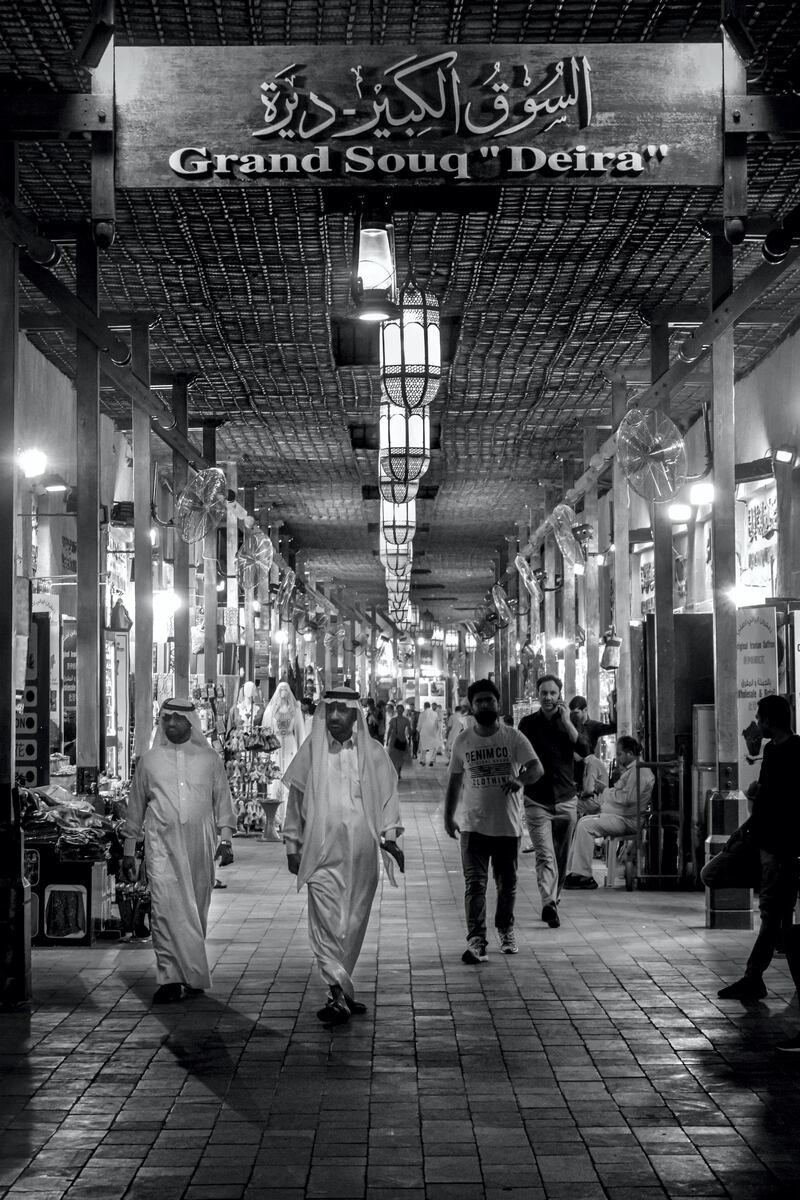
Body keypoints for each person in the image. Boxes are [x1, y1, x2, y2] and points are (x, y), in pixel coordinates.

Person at [282, 687, 403, 1025]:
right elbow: (295, 803)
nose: (334, 716)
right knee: (326, 923)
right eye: (329, 709)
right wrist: (293, 846)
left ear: (355, 715)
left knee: (351, 923)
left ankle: (342, 988)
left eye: (341, 710)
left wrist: (390, 839)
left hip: (362, 856)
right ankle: (337, 993)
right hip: (320, 853)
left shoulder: (374, 754)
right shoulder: (311, 752)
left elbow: (388, 801)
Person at [121, 698, 236, 1004]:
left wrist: (226, 839)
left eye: (176, 719)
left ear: (190, 723)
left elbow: (222, 801)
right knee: (163, 910)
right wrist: (129, 850)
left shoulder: (210, 759)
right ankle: (170, 978)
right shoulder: (149, 761)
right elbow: (135, 808)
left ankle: (193, 973)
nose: (170, 724)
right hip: (161, 847)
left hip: (200, 847)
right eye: (166, 718)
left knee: (195, 910)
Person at [703, 694, 800, 1001]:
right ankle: (780, 916)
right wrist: (743, 831)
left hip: (779, 846)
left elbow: (781, 804)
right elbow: (767, 800)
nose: (757, 724)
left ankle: (753, 976)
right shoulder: (771, 751)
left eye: (760, 718)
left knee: (772, 912)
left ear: (771, 720)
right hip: (762, 841)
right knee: (713, 872)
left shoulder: (795, 752)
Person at [445, 678, 543, 963]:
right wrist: (447, 816)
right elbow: (454, 782)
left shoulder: (513, 737)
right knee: (474, 884)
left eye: (490, 700)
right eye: (479, 701)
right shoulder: (463, 741)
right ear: (471, 706)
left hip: (507, 826)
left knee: (506, 884)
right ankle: (476, 940)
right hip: (473, 827)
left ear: (498, 704)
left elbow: (537, 768)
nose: (485, 705)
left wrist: (519, 779)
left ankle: (506, 928)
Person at [518, 675, 584, 928]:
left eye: (552, 693)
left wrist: (567, 722)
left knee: (562, 854)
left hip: (567, 799)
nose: (548, 698)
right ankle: (548, 902)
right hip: (537, 800)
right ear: (538, 695)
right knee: (545, 855)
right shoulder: (528, 724)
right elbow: (518, 755)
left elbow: (585, 749)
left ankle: (554, 898)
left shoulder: (572, 721)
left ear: (560, 695)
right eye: (543, 693)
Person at [564, 736, 655, 889]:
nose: (617, 758)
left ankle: (583, 875)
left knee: (586, 827)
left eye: (620, 754)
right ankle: (576, 872)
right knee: (583, 822)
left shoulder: (640, 772)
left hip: (627, 820)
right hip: (619, 815)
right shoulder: (632, 771)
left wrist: (604, 791)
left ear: (630, 753)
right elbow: (621, 792)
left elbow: (627, 798)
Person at [262, 681, 306, 827]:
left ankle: (289, 817)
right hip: (275, 748)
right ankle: (273, 818)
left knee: (289, 781)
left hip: (290, 747)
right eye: (281, 689)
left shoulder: (295, 710)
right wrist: (265, 754)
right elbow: (266, 732)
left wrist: (302, 754)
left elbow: (300, 733)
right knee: (274, 781)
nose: (284, 692)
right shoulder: (270, 710)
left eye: (286, 689)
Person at [569, 695, 616, 795]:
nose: (574, 716)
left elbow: (613, 728)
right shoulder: (569, 726)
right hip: (571, 772)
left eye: (576, 713)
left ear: (585, 710)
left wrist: (611, 704)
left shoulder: (593, 726)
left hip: (588, 770)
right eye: (572, 713)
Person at [386, 702, 412, 780]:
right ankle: (398, 773)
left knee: (394, 757)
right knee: (400, 757)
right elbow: (410, 731)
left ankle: (395, 772)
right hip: (402, 739)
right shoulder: (406, 720)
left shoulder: (393, 720)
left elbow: (389, 731)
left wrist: (387, 741)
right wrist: (410, 738)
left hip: (394, 740)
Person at [417, 702, 440, 767]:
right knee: (432, 747)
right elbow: (437, 723)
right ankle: (431, 761)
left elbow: (419, 724)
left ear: (424, 706)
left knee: (423, 747)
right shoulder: (435, 713)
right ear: (429, 706)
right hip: (433, 732)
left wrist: (418, 730)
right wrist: (437, 731)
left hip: (424, 732)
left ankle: (423, 761)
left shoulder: (422, 714)